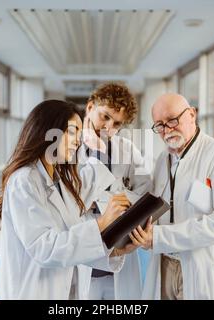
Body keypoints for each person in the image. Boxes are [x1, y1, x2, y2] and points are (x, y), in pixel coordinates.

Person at [0, 100, 138, 299]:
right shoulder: (24, 181)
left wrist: (116, 252)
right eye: (71, 132)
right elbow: (46, 248)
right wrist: (102, 223)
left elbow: (71, 246)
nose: (77, 141)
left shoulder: (60, 182)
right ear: (48, 131)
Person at [131, 93, 214, 300]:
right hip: (165, 264)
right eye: (160, 125)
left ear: (192, 114)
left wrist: (159, 237)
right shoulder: (162, 160)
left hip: (202, 266)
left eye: (173, 119)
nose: (167, 129)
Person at [78, 82, 151, 300]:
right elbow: (69, 200)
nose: (108, 128)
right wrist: (113, 201)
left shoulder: (128, 151)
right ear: (90, 107)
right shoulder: (68, 149)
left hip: (119, 259)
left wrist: (96, 200)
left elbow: (145, 196)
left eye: (117, 124)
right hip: (82, 261)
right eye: (105, 116)